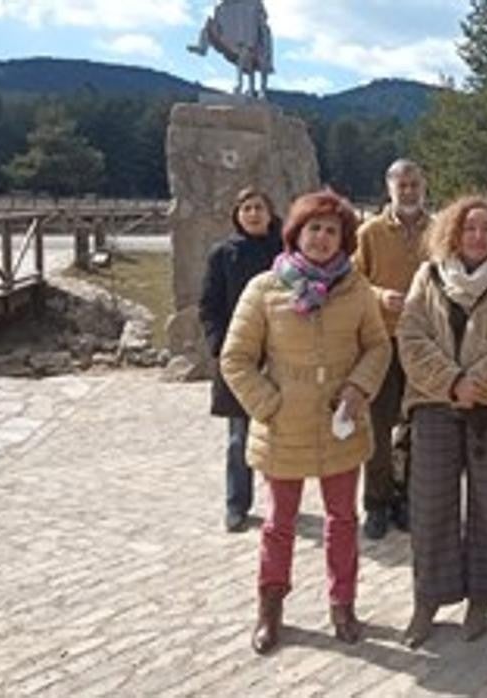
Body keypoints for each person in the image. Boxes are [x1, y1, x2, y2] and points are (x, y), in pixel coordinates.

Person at [220, 189, 391, 655]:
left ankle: (343, 603)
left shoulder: (356, 289)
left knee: (342, 519)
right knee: (280, 522)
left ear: (343, 238)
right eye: (313, 228)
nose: (321, 238)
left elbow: (378, 346)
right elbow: (235, 358)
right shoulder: (265, 288)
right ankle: (270, 609)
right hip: (285, 426)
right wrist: (268, 406)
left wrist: (358, 388)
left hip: (341, 420)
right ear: (296, 233)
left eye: (331, 230)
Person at [397, 195, 487, 647]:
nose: (477, 236)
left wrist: (478, 382)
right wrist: (451, 382)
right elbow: (410, 334)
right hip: (435, 402)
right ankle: (429, 599)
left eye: (486, 229)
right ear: (453, 233)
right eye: (469, 228)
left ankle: (481, 596)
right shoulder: (429, 276)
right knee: (431, 503)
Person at [353, 158, 431, 540]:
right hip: (382, 341)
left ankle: (407, 500)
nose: (410, 191)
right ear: (390, 187)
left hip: (425, 344)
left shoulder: (438, 231)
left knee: (417, 428)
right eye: (403, 185)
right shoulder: (369, 232)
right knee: (379, 428)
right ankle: (377, 503)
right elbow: (351, 282)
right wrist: (380, 295)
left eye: (415, 184)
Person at [199, 187, 282, 533]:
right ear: (237, 214)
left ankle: (279, 505)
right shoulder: (223, 254)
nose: (252, 214)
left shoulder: (284, 252)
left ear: (269, 212)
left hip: (279, 354)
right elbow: (209, 305)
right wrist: (221, 348)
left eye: (258, 207)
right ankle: (237, 503)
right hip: (239, 356)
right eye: (246, 208)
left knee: (280, 436)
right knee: (239, 436)